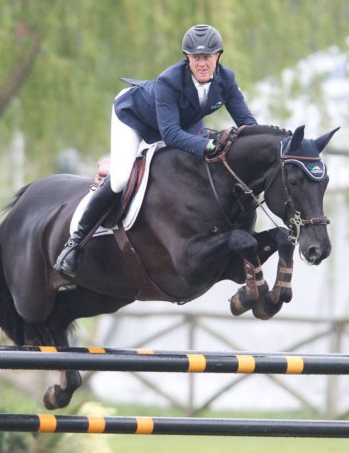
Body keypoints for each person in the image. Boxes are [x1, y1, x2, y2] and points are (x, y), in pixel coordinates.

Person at [55, 24, 259, 277]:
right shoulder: (169, 81)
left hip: (181, 122)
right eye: (196, 57)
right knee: (120, 179)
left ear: (218, 56)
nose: (202, 63)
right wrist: (208, 145)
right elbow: (171, 135)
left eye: (207, 57)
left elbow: (247, 124)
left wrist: (260, 147)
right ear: (187, 58)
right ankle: (75, 243)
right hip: (135, 118)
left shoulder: (227, 80)